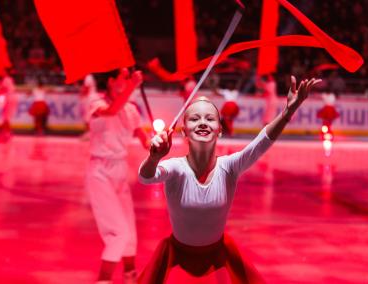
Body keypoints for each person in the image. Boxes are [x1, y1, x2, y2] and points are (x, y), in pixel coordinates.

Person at [138, 76, 322, 283]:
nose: (202, 123)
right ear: (184, 132)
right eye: (195, 118)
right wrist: (154, 157)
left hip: (219, 257)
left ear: (220, 130)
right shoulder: (176, 168)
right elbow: (146, 177)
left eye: (209, 119)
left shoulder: (230, 166)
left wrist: (288, 112)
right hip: (177, 257)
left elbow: (261, 142)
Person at [85, 68, 149, 284]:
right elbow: (111, 110)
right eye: (124, 76)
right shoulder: (96, 103)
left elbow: (145, 140)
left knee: (129, 229)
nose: (128, 79)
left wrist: (160, 142)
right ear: (111, 81)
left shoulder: (131, 110)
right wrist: (132, 85)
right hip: (100, 171)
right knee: (118, 232)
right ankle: (103, 280)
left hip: (120, 170)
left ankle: (130, 276)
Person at [0, 69, 16, 142]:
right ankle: (7, 133)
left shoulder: (6, 79)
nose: (2, 73)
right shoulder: (10, 79)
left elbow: (4, 89)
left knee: (6, 117)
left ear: (6, 72)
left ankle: (6, 134)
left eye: (3, 72)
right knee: (6, 117)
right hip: (11, 99)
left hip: (9, 99)